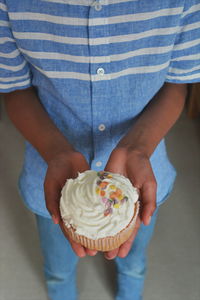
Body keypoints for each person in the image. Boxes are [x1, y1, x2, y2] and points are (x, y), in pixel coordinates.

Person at [0, 1, 199, 299]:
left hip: (143, 179)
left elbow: (178, 83)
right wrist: (55, 151)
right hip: (49, 180)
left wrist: (140, 147)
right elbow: (15, 88)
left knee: (133, 263)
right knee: (58, 269)